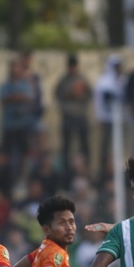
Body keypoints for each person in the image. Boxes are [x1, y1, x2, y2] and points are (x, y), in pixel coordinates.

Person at [54, 53, 92, 186]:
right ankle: (66, 178)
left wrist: (80, 94)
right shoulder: (64, 81)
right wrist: (71, 93)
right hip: (68, 117)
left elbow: (89, 95)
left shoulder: (82, 80)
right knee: (66, 148)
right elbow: (58, 96)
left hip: (80, 116)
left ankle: (86, 174)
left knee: (84, 147)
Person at [95, 54, 125, 181]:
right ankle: (104, 173)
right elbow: (99, 100)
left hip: (120, 119)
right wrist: (100, 115)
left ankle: (119, 172)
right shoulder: (103, 81)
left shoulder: (123, 80)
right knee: (105, 146)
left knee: (120, 147)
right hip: (107, 119)